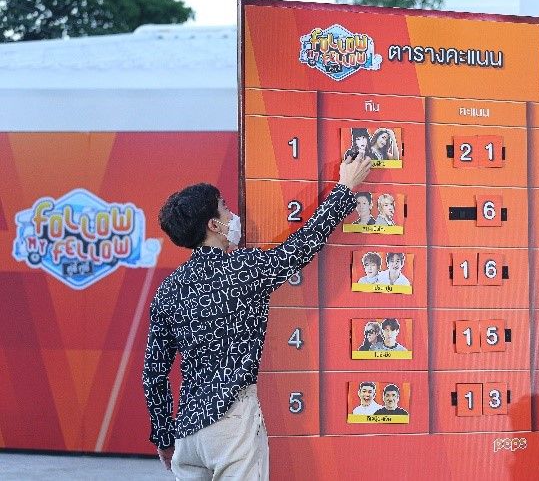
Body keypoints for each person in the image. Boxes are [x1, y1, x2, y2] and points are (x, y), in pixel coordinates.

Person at [142, 152, 371, 480]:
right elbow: (302, 246)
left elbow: (154, 373)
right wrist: (345, 188)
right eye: (225, 208)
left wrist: (164, 437)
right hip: (232, 424)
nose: (233, 214)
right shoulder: (243, 269)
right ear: (213, 225)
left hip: (187, 434)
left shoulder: (168, 289)